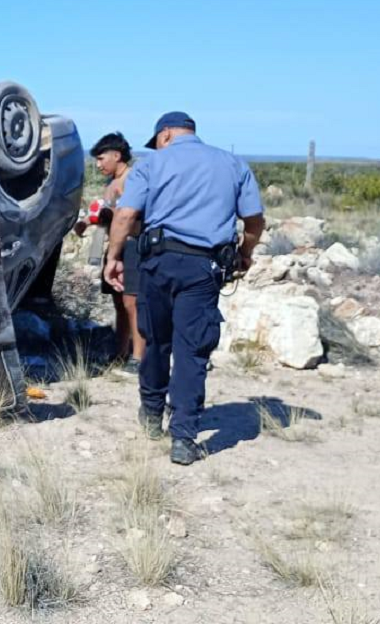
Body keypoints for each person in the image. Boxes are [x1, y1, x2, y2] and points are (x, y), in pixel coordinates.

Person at [104, 112, 265, 465]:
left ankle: (150, 413)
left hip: (157, 263)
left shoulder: (151, 164)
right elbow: (254, 220)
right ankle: (184, 438)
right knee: (192, 351)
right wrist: (244, 254)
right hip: (203, 268)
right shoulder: (233, 164)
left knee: (155, 340)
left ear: (165, 134)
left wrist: (113, 257)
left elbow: (126, 216)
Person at [75, 132, 144, 372]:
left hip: (133, 245)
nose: (98, 164)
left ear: (117, 155)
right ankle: (121, 351)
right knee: (118, 301)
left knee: (131, 301)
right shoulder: (111, 183)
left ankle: (139, 356)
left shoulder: (132, 179)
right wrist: (89, 222)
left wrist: (109, 216)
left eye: (101, 158)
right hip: (115, 247)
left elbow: (132, 216)